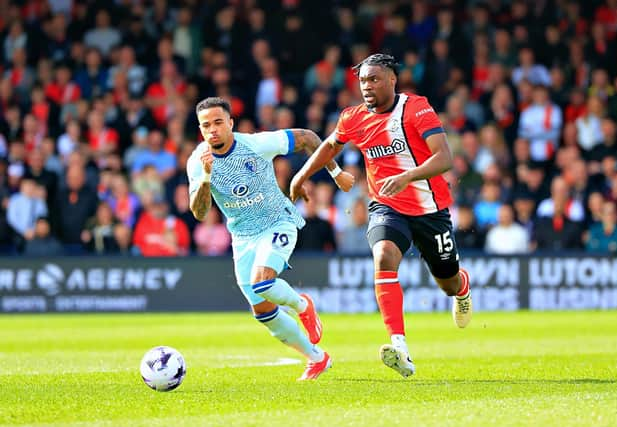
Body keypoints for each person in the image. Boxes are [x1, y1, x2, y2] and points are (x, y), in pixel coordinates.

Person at [290, 53, 473, 378]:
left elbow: (444, 158)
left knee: (446, 280)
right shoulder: (352, 117)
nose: (367, 86)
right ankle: (399, 346)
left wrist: (407, 176)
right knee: (384, 256)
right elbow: (330, 147)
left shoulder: (416, 108)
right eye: (363, 81)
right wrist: (300, 175)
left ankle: (461, 288)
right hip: (386, 205)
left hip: (430, 209)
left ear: (392, 80)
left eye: (374, 79)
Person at [187, 97, 354, 380]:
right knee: (263, 311)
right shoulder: (197, 161)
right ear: (201, 130)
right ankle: (317, 358)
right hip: (242, 238)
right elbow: (200, 212)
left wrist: (335, 173)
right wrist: (205, 178)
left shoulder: (255, 144)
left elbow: (308, 138)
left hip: (278, 221)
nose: (213, 129)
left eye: (218, 122)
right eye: (206, 125)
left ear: (230, 123)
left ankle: (302, 305)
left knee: (263, 281)